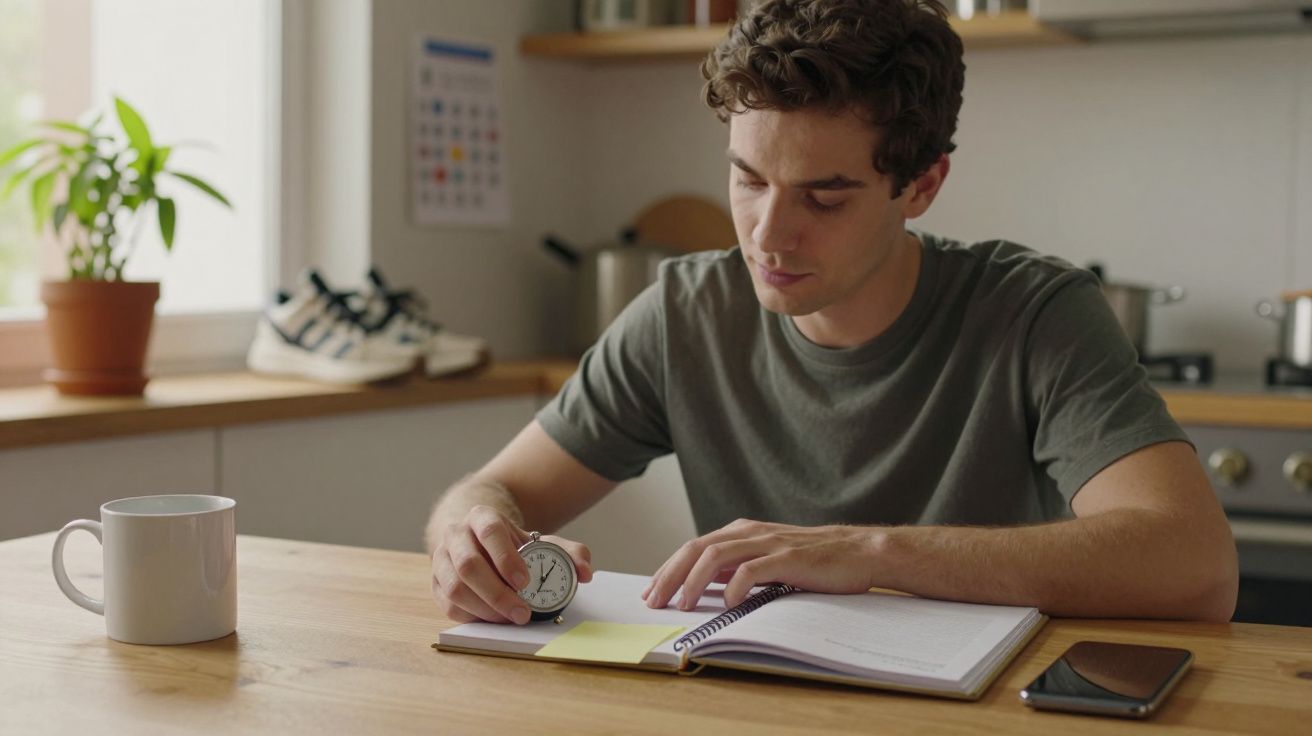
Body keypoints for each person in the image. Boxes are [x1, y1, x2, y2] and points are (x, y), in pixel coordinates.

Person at [425, 0, 1238, 627]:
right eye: (748, 179)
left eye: (825, 195)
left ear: (921, 186)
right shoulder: (683, 314)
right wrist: (476, 535)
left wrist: (869, 551)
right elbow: (490, 490)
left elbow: (1196, 567)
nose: (768, 235)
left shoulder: (1034, 313)